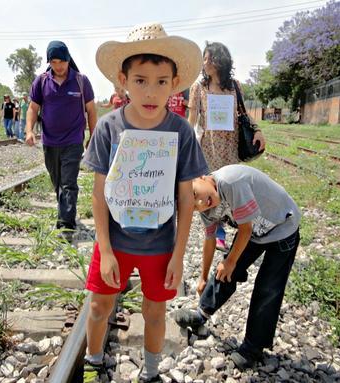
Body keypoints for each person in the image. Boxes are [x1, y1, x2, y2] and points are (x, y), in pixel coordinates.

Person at [82, 22, 208, 383]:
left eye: (161, 81)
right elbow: (98, 194)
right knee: (99, 305)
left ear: (174, 83)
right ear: (123, 80)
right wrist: (104, 250)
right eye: (140, 80)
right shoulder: (109, 128)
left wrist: (179, 255)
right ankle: (92, 363)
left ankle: (150, 373)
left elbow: (186, 198)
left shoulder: (180, 131)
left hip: (160, 246)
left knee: (155, 311)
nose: (151, 92)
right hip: (116, 244)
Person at [174, 164, 301, 370]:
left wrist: (230, 261)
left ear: (201, 177)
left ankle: (253, 347)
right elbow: (211, 240)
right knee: (224, 270)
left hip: (282, 227)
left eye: (196, 193)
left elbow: (245, 229)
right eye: (194, 205)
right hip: (255, 231)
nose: (200, 203)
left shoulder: (231, 182)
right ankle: (202, 313)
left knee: (267, 288)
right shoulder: (206, 207)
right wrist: (203, 277)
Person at [188, 42, 267, 250]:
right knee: (210, 188)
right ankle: (216, 231)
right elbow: (192, 117)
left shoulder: (234, 86)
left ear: (219, 60)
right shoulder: (199, 87)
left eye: (208, 58)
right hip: (209, 146)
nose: (204, 63)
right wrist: (185, 143)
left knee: (229, 186)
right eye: (203, 59)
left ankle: (239, 225)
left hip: (230, 146)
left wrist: (257, 130)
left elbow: (243, 113)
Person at [25, 41, 97, 241]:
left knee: (68, 182)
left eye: (62, 61)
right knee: (57, 181)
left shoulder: (81, 81)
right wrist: (29, 130)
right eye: (54, 62)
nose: (58, 66)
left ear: (68, 60)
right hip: (49, 141)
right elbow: (33, 108)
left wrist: (93, 135)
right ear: (49, 62)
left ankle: (66, 224)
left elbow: (91, 110)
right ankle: (64, 211)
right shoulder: (41, 81)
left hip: (73, 141)